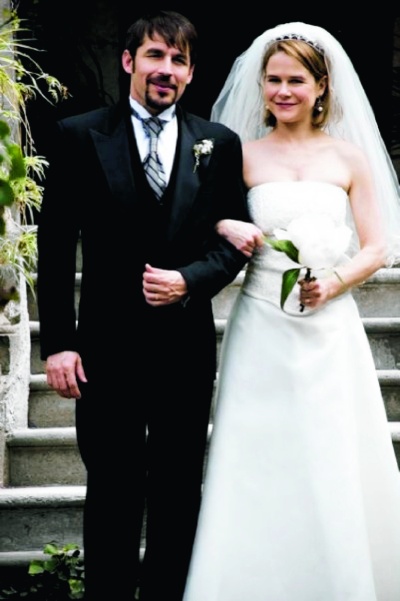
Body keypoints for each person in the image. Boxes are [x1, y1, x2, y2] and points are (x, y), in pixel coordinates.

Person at [36, 10, 250, 601]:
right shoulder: (79, 134)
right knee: (113, 487)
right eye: (155, 55)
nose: (167, 69)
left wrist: (189, 280)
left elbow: (235, 242)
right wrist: (59, 344)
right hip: (105, 350)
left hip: (184, 348)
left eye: (179, 60)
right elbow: (55, 247)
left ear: (191, 73)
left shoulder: (218, 143)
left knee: (178, 490)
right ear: (129, 61)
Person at [183, 22, 400, 601]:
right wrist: (225, 224)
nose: (283, 91)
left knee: (331, 451)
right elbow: (203, 221)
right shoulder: (241, 154)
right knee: (259, 452)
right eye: (273, 80)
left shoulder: (349, 157)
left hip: (329, 328)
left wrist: (333, 282)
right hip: (262, 324)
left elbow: (377, 245)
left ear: (321, 85)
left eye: (296, 80)